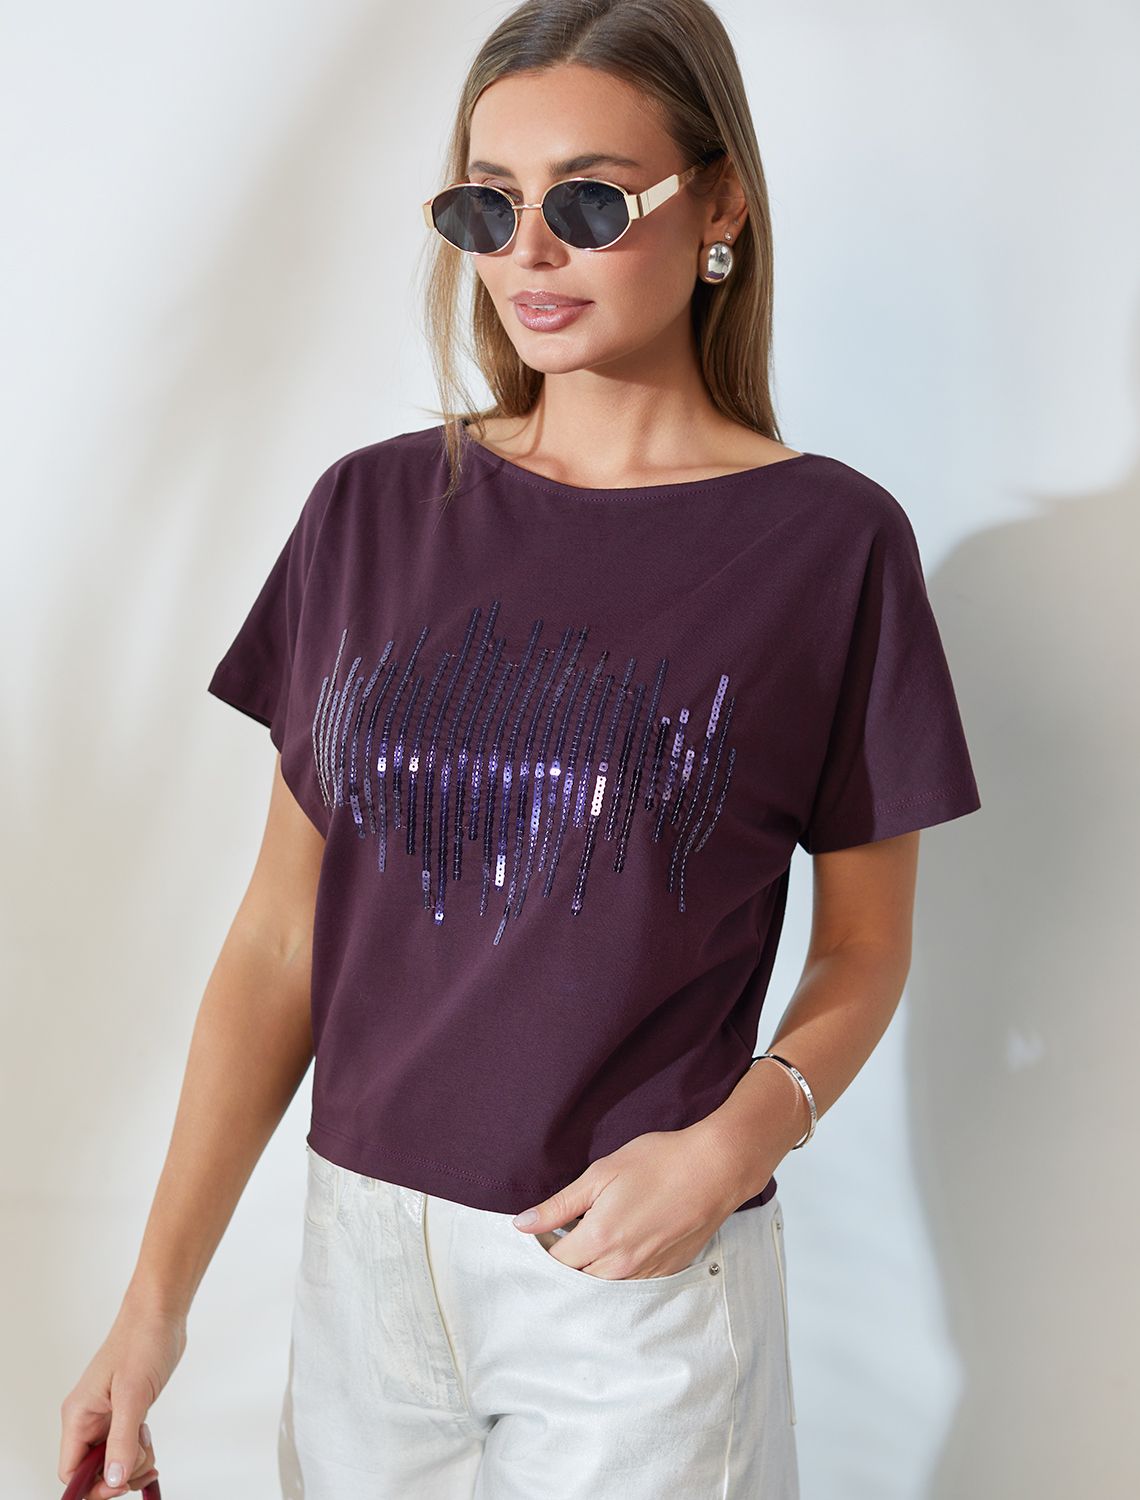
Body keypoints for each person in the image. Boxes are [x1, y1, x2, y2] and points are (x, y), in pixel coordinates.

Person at [58, 1, 983, 1496]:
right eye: (488, 205)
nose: (530, 253)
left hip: (629, 1277)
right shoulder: (371, 513)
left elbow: (866, 950)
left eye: (591, 202)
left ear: (721, 203)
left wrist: (731, 1150)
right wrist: (150, 1310)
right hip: (360, 1267)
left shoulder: (827, 544)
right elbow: (282, 939)